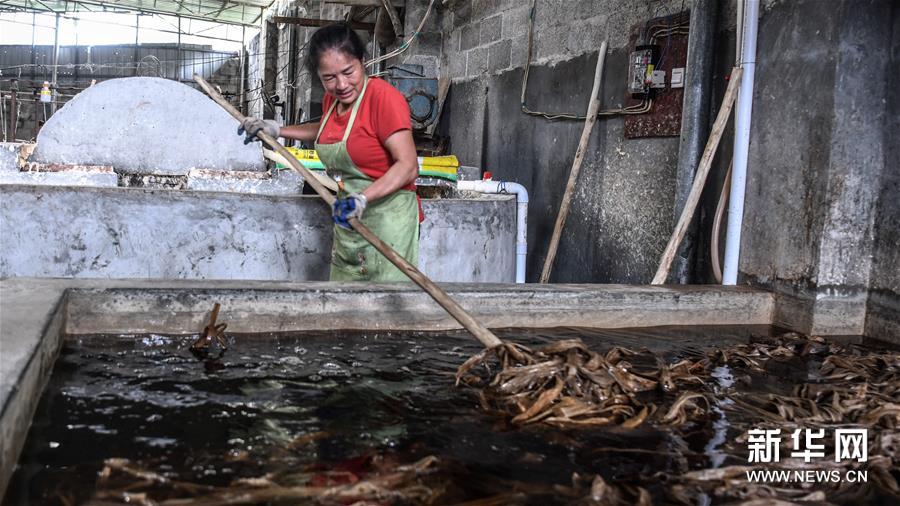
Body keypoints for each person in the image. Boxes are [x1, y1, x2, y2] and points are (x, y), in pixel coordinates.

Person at [239, 22, 421, 282]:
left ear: (363, 61)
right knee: (344, 301)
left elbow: (408, 166)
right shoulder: (332, 100)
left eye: (349, 72)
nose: (342, 84)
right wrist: (277, 130)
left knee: (383, 309)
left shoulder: (383, 99)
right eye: (329, 78)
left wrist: (363, 199)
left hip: (388, 221)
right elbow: (328, 129)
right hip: (349, 217)